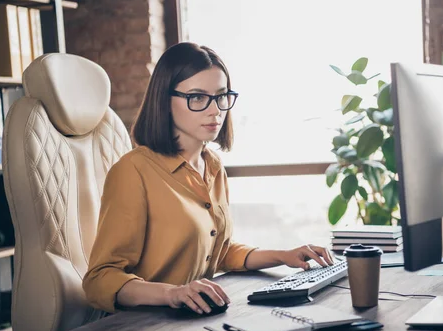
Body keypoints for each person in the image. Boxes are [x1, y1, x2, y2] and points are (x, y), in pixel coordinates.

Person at [83, 42, 334, 315]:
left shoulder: (212, 166)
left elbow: (220, 251)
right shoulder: (133, 171)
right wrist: (172, 293)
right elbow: (100, 280)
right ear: (164, 101)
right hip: (143, 325)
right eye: (198, 97)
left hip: (195, 316)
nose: (215, 110)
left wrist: (283, 256)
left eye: (221, 96)